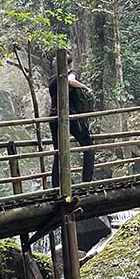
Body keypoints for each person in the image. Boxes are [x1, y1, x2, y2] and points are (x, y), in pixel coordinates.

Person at [48, 54, 96, 184]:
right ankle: (87, 180)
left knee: (58, 151)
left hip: (53, 117)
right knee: (89, 146)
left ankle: (56, 184)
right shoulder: (70, 74)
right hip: (69, 116)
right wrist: (86, 87)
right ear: (69, 64)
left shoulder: (52, 80)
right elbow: (70, 80)